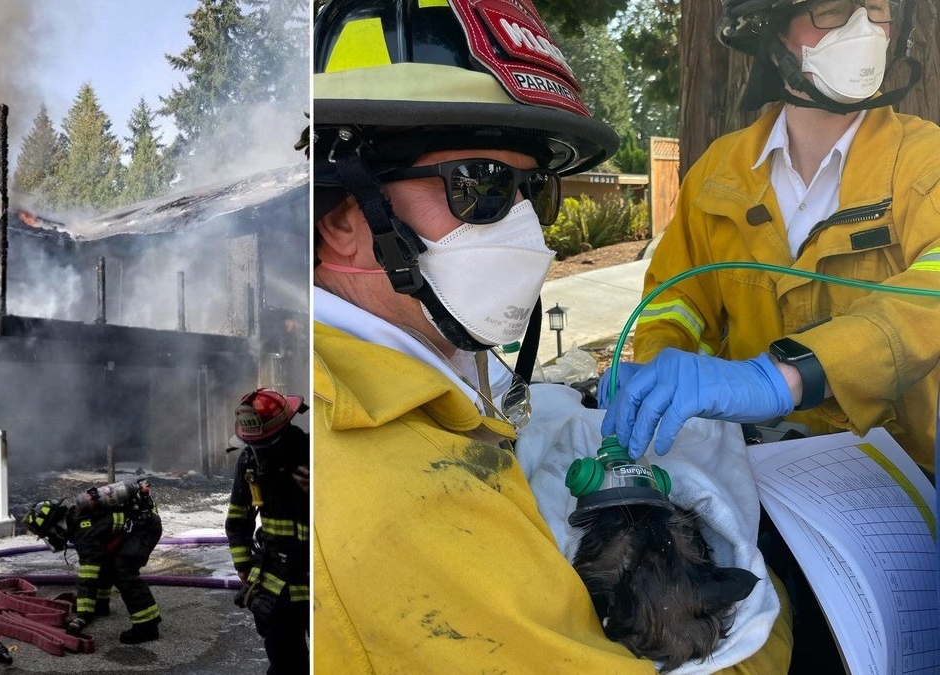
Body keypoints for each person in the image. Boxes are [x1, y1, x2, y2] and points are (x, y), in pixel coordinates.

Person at [311, 0, 793, 673]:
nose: (526, 232)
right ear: (343, 215)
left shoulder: (425, 374)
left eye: (533, 190)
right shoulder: (389, 496)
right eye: (480, 185)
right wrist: (767, 605)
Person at [601, 0, 940, 476]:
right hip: (749, 471)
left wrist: (789, 375)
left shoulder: (926, 161)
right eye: (836, 11)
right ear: (774, 30)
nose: (866, 31)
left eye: (878, 10)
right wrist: (663, 375)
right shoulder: (720, 173)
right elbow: (675, 303)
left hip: (902, 475)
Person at [225, 388, 310, 675]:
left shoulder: (314, 455)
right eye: (255, 445)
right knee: (286, 663)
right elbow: (237, 519)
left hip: (320, 579)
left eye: (267, 443)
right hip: (276, 582)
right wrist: (243, 566)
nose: (261, 453)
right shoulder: (249, 463)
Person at [22, 477, 163, 644]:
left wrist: (83, 615)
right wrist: (94, 606)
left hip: (144, 527)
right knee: (105, 563)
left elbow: (88, 578)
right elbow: (100, 564)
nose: (51, 539)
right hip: (137, 524)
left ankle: (147, 626)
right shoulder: (77, 521)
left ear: (54, 527)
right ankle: (101, 605)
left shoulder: (83, 533)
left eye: (48, 534)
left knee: (123, 571)